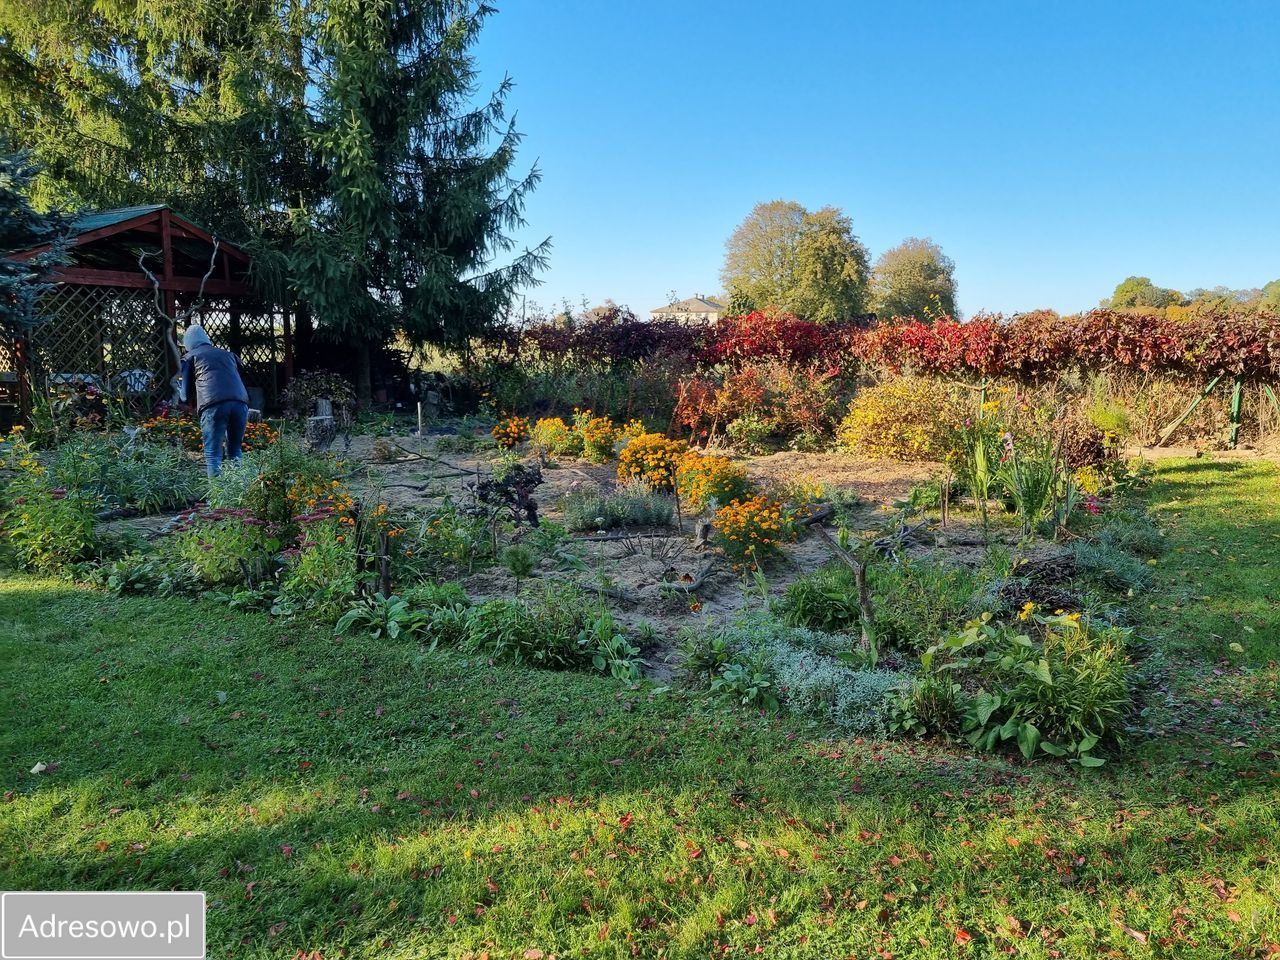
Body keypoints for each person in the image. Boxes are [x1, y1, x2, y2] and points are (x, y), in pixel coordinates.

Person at [179, 325, 249, 477]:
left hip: (213, 405)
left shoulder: (189, 357)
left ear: (188, 343)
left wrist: (187, 403)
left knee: (213, 454)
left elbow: (184, 394)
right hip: (240, 403)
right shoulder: (229, 355)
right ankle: (240, 494)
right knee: (235, 450)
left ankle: (218, 498)